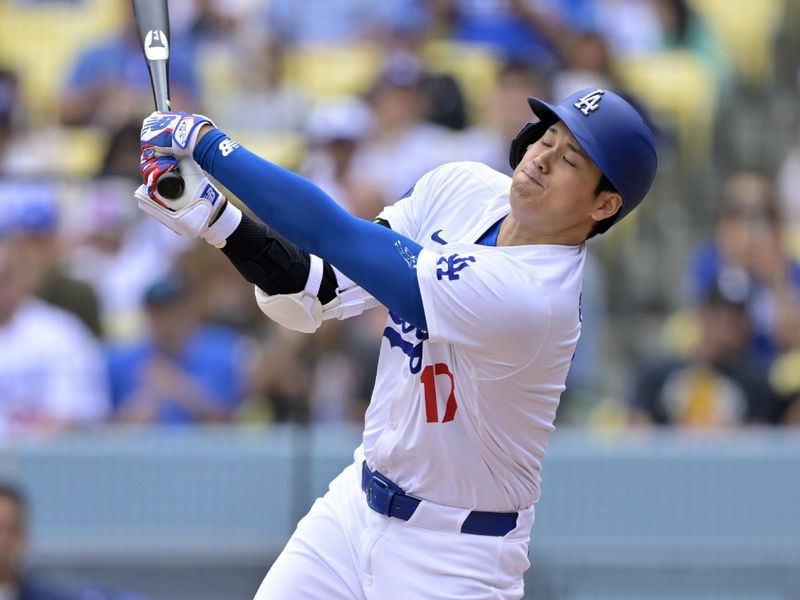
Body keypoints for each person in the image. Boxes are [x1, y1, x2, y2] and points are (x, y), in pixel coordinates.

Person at [133, 86, 657, 598]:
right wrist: (218, 220)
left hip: (454, 557)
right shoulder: (462, 187)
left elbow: (336, 234)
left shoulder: (536, 297)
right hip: (354, 508)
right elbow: (317, 290)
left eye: (571, 160)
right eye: (549, 138)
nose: (543, 158)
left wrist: (208, 145)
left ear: (604, 204)